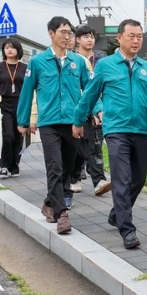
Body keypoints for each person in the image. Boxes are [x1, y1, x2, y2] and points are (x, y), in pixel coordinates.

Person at [73, 19, 147, 250]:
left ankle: (116, 213)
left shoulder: (146, 68)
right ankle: (127, 230)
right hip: (117, 130)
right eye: (131, 36)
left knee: (139, 178)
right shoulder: (105, 66)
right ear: (119, 38)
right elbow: (89, 95)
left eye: (139, 36)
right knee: (122, 179)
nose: (136, 40)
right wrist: (78, 120)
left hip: (142, 129)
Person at [17, 16, 92, 235]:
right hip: (49, 122)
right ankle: (61, 214)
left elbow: (89, 89)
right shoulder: (37, 62)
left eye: (70, 33)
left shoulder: (77, 62)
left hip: (72, 121)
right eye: (63, 32)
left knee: (67, 168)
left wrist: (95, 109)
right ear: (51, 34)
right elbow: (27, 91)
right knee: (55, 167)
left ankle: (49, 203)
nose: (68, 36)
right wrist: (24, 121)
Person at [68, 23, 111, 197]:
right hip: (77, 108)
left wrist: (99, 108)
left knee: (95, 146)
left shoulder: (102, 59)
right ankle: (75, 177)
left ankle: (99, 180)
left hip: (99, 109)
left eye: (92, 36)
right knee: (78, 147)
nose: (90, 39)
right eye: (86, 36)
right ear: (77, 40)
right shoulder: (72, 60)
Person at [0, 38, 26, 177]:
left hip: (21, 105)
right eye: (6, 47)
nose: (9, 50)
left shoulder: (25, 67)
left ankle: (14, 166)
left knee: (18, 137)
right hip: (4, 105)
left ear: (18, 50)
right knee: (7, 135)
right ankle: (4, 166)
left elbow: (29, 87)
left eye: (12, 47)